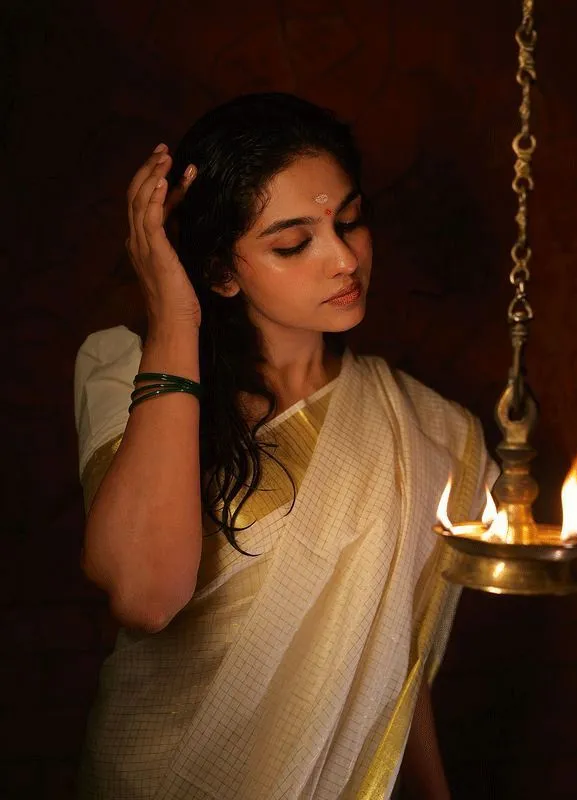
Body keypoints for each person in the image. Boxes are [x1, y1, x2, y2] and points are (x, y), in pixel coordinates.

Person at [74, 92, 495, 799]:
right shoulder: (120, 369)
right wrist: (174, 318)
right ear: (221, 272)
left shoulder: (430, 431)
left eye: (350, 221)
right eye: (293, 242)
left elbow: (390, 666)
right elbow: (146, 595)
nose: (343, 259)